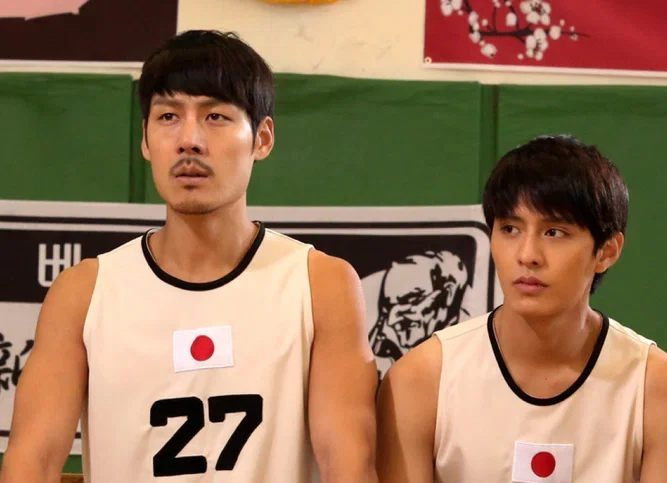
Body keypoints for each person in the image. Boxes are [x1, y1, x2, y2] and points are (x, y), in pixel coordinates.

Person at [1, 30, 378, 483]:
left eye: (216, 116)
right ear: (145, 140)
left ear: (262, 138)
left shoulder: (320, 284)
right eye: (168, 117)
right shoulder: (83, 292)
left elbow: (348, 463)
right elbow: (34, 460)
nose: (189, 140)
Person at [376, 135, 667, 482]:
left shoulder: (654, 386)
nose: (527, 255)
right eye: (510, 229)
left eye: (554, 232)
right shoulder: (420, 379)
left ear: (607, 251)